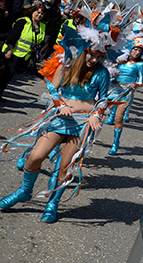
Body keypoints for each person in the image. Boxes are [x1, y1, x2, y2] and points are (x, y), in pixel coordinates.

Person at [0, 44, 110, 223]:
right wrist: (61, 105)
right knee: (35, 156)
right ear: (84, 51)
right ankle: (24, 191)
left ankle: (53, 203)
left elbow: (104, 98)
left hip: (81, 124)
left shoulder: (102, 73)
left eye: (99, 57)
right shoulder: (67, 63)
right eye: (91, 55)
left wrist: (97, 114)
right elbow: (52, 88)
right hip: (60, 119)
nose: (94, 60)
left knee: (66, 168)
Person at [104, 40, 143, 155]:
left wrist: (134, 85)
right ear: (130, 49)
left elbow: (142, 81)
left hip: (125, 93)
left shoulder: (140, 65)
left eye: (139, 51)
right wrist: (113, 71)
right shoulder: (120, 60)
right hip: (112, 90)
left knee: (118, 119)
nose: (137, 52)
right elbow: (110, 70)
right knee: (98, 114)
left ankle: (115, 143)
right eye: (135, 49)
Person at [0, 0, 47, 100]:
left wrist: (36, 50)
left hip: (26, 55)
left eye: (42, 13)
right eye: (38, 12)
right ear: (33, 11)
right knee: (6, 74)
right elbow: (13, 36)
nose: (39, 15)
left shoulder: (42, 26)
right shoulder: (23, 21)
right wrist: (9, 50)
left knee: (9, 76)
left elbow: (40, 41)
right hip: (13, 52)